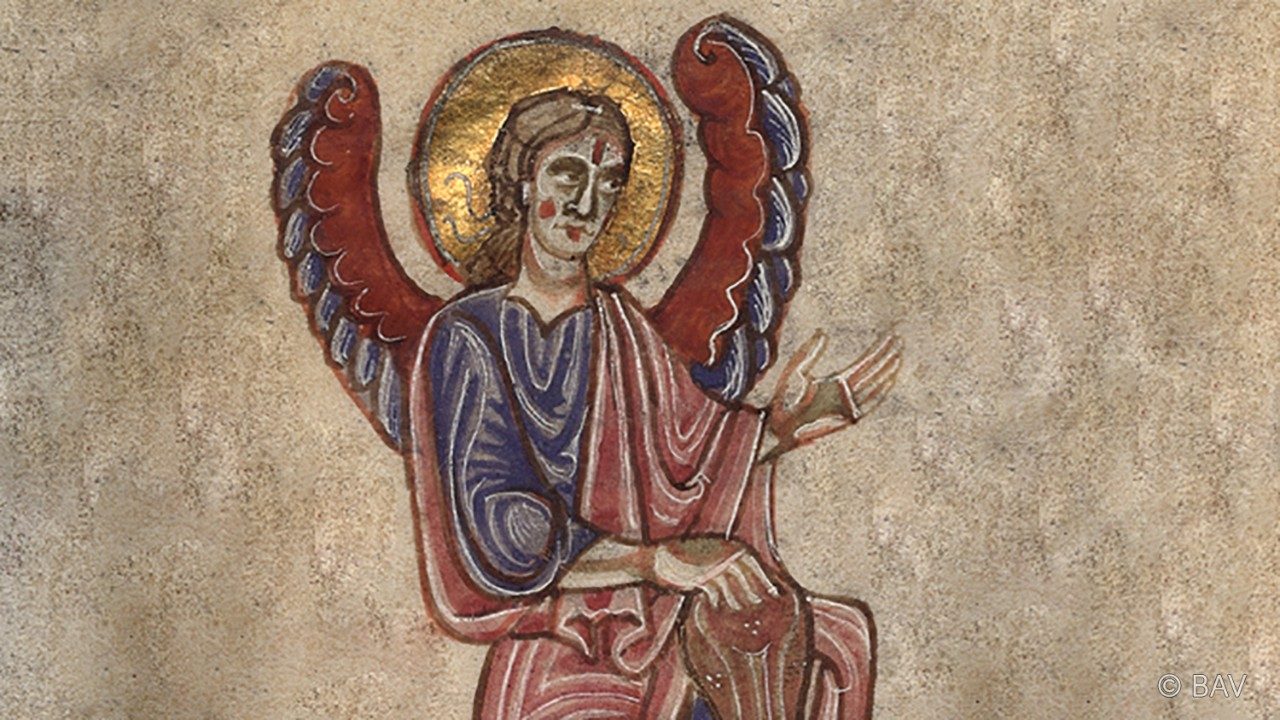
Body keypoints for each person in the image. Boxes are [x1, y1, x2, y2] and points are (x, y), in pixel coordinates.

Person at [407, 88, 889, 719]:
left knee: (838, 638)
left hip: (656, 605)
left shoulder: (621, 328)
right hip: (562, 620)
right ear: (523, 183)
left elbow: (691, 456)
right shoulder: (469, 335)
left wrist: (781, 427)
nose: (586, 204)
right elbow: (502, 531)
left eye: (607, 183)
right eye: (567, 175)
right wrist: (651, 560)